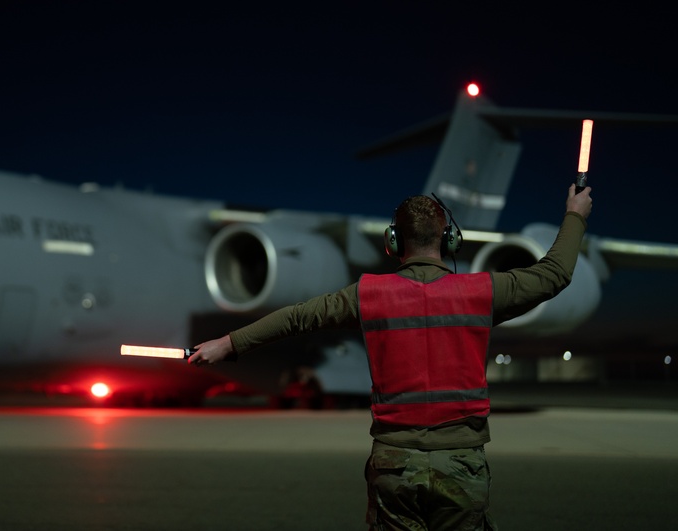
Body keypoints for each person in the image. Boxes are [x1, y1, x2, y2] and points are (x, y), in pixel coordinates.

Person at [189, 184, 593, 530]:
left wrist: (228, 343)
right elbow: (555, 273)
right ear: (449, 239)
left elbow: (297, 317)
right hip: (462, 464)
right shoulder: (482, 291)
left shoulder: (369, 295)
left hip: (395, 467)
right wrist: (574, 215)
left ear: (393, 242)